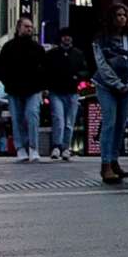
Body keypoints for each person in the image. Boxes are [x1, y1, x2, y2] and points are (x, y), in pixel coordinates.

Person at [91, 5, 128, 184]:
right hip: (106, 86)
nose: (122, 18)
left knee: (121, 125)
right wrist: (117, 83)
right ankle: (105, 164)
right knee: (109, 123)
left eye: (124, 15)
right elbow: (101, 65)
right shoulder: (101, 40)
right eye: (118, 15)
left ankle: (114, 160)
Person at [0, 17, 45, 161]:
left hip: (33, 88)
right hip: (14, 89)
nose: (29, 29)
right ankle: (21, 149)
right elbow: (0, 66)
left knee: (32, 115)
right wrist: (7, 82)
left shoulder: (37, 48)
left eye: (31, 27)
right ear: (19, 28)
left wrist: (42, 86)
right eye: (26, 26)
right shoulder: (9, 47)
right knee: (17, 119)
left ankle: (33, 148)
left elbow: (45, 67)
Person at [39, 31, 84, 162]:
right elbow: (45, 71)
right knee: (59, 120)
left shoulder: (78, 54)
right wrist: (46, 87)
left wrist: (78, 77)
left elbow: (85, 69)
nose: (67, 38)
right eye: (65, 36)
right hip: (56, 91)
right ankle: (58, 146)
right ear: (61, 39)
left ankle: (65, 148)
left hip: (72, 92)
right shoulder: (52, 55)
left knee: (68, 122)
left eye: (69, 36)